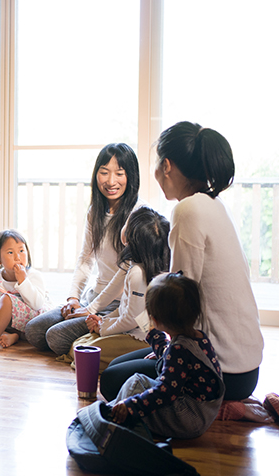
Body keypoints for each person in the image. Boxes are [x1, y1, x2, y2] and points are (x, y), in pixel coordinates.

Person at [101, 121, 264, 402]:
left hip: (219, 370)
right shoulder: (213, 204)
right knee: (118, 367)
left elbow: (178, 304)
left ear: (166, 166)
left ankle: (220, 407)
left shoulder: (187, 210)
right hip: (246, 368)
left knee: (112, 380)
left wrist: (155, 333)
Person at [25, 143, 141, 355]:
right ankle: (86, 335)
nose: (110, 181)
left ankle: (102, 333)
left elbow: (126, 272)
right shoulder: (95, 210)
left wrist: (90, 310)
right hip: (92, 297)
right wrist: (74, 299)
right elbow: (85, 259)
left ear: (131, 176)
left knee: (55, 337)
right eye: (104, 172)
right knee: (34, 331)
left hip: (117, 307)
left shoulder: (138, 214)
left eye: (119, 173)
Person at [108, 272, 224, 439]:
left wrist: (132, 405)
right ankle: (114, 410)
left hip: (188, 419)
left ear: (154, 319)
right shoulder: (198, 338)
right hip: (203, 413)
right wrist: (161, 346)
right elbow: (171, 356)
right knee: (140, 387)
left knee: (136, 382)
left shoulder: (178, 350)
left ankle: (111, 417)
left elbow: (166, 391)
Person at [74, 206, 170, 373]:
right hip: (136, 329)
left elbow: (130, 319)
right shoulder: (138, 265)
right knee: (81, 343)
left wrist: (103, 328)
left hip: (142, 336)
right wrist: (102, 321)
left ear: (130, 239)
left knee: (80, 350)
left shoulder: (137, 273)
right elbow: (127, 309)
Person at [0, 229, 51, 349]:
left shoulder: (34, 276)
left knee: (6, 299)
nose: (18, 257)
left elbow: (37, 304)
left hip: (34, 318)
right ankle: (9, 335)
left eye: (21, 251)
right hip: (12, 322)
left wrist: (23, 281)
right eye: (10, 252)